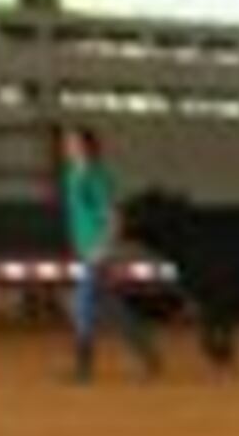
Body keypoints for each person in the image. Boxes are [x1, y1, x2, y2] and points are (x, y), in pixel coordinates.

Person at [60, 123, 162, 382]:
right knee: (109, 308)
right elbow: (80, 215)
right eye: (67, 142)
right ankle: (146, 352)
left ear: (87, 146)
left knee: (81, 303)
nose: (67, 147)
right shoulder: (72, 175)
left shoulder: (97, 176)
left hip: (100, 250)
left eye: (73, 142)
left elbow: (114, 217)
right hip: (86, 249)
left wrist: (103, 247)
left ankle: (84, 368)